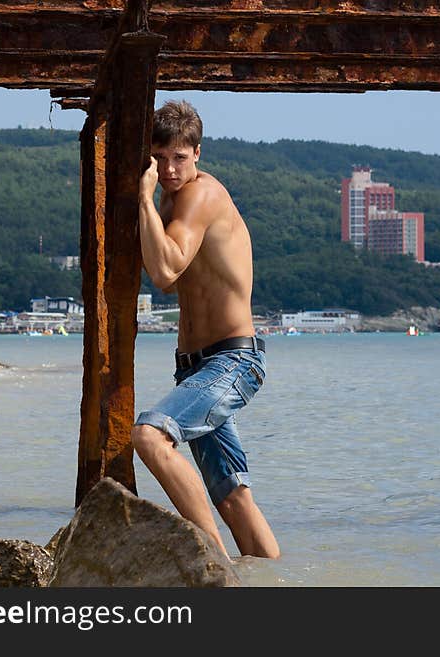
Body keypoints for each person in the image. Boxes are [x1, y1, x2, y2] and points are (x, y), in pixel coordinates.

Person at [131, 99, 280, 559]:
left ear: (198, 154)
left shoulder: (201, 195)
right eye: (159, 157)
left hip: (232, 360)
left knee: (150, 436)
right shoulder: (173, 205)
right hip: (197, 371)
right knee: (233, 496)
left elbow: (164, 272)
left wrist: (141, 197)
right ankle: (270, 580)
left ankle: (212, 566)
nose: (169, 168)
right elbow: (174, 278)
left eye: (179, 157)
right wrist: (152, 204)